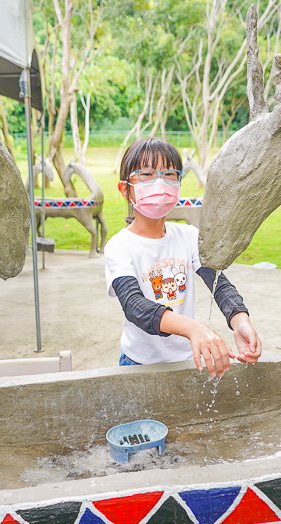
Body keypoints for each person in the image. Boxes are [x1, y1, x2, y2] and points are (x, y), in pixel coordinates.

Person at [104, 137, 261, 377]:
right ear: (126, 190)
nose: (160, 182)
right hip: (138, 364)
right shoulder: (120, 246)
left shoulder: (188, 236)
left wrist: (240, 321)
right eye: (146, 174)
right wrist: (194, 329)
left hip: (188, 360)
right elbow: (135, 306)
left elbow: (219, 284)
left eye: (169, 174)